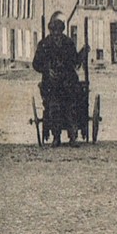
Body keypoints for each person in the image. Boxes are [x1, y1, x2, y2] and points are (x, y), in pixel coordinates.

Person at [32, 18, 84, 148]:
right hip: (51, 84)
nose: (57, 35)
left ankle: (73, 137)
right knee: (53, 106)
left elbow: (75, 61)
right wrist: (47, 70)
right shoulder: (44, 44)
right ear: (50, 32)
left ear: (62, 31)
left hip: (68, 82)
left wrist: (83, 53)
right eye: (54, 32)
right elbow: (35, 64)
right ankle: (56, 137)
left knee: (72, 106)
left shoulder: (69, 43)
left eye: (59, 32)